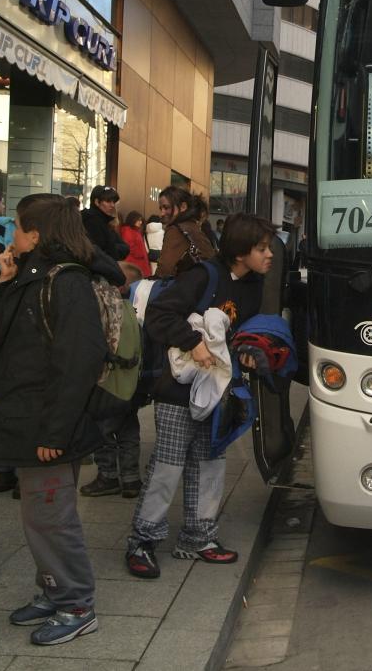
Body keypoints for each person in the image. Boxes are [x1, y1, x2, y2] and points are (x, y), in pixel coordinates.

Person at [0, 193, 121, 645]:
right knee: (40, 515)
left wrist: (55, 431)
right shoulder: (35, 276)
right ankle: (53, 591)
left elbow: (80, 359)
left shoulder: (67, 281)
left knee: (52, 516)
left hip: (50, 424)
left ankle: (77, 604)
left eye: (16, 227)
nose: (11, 235)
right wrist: (2, 284)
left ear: (36, 235)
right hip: (33, 418)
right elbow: (6, 335)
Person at [125, 213, 277, 579]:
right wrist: (193, 342)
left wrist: (243, 352)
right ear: (241, 252)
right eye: (262, 248)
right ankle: (142, 541)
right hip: (179, 390)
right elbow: (160, 315)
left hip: (217, 391)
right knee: (167, 466)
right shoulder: (203, 275)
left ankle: (198, 537)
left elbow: (238, 330)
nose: (269, 254)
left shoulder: (254, 284)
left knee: (210, 464)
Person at [80, 260, 144, 499]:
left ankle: (108, 476)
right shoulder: (133, 310)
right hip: (131, 386)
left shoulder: (110, 310)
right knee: (128, 433)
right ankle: (131, 479)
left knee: (104, 434)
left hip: (109, 385)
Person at [154, 187, 215, 278]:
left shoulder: (175, 230)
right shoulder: (192, 226)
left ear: (183, 207)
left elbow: (164, 270)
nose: (162, 213)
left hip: (187, 289)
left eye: (166, 208)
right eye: (161, 209)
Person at [81, 185, 129, 262]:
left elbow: (125, 247)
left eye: (113, 202)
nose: (112, 205)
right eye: (108, 201)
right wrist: (114, 248)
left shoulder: (105, 221)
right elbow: (100, 251)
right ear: (97, 202)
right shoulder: (92, 221)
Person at [120, 211, 151, 277]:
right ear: (132, 219)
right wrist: (140, 254)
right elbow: (129, 246)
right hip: (135, 262)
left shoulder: (134, 230)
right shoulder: (127, 231)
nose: (141, 222)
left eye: (141, 220)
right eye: (139, 220)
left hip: (138, 261)